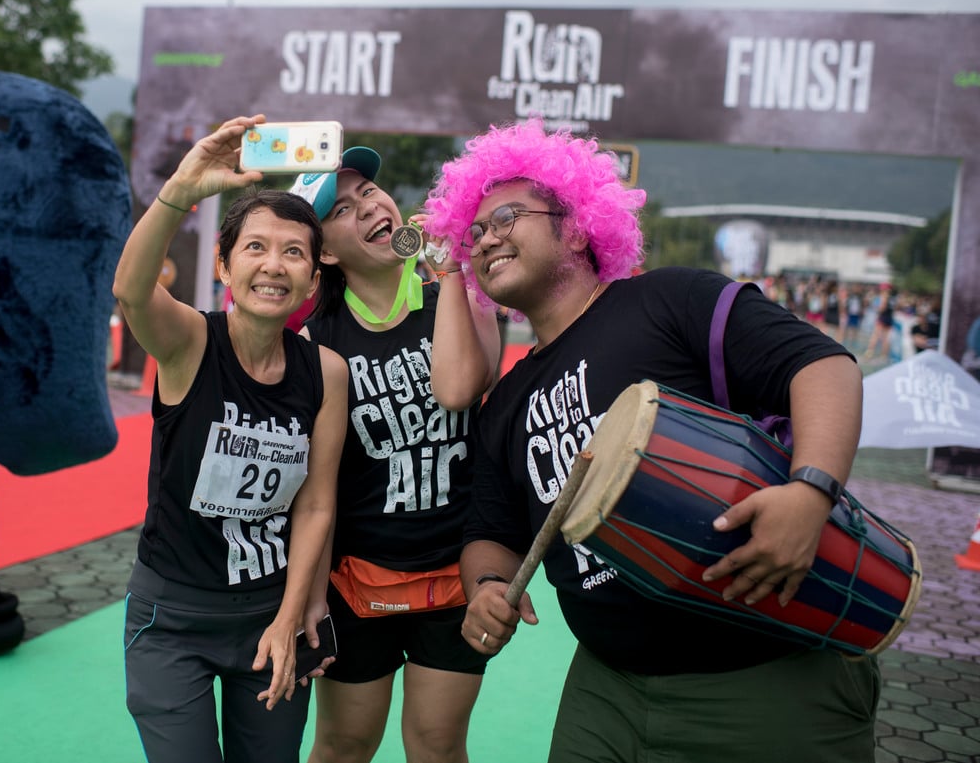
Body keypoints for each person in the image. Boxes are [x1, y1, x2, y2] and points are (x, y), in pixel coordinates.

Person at [422, 118, 875, 763]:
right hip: (605, 690)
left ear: (576, 225)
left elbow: (823, 367)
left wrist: (811, 492)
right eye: (477, 230)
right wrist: (489, 586)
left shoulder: (670, 299)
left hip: (765, 674)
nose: (487, 238)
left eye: (509, 217)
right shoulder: (510, 397)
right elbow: (490, 532)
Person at [113, 115, 348, 763]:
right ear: (223, 263)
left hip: (271, 614)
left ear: (312, 278)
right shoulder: (190, 342)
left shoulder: (325, 372)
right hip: (172, 619)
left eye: (294, 251)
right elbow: (131, 291)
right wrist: (184, 187)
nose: (274, 265)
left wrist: (292, 611)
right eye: (256, 247)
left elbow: (316, 504)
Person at [291, 147, 502, 763]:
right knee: (344, 744)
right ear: (325, 251)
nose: (371, 207)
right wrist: (309, 596)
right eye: (345, 210)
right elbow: (316, 485)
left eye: (371, 194)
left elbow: (462, 388)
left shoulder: (460, 297)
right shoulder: (315, 340)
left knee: (437, 745)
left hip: (455, 572)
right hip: (357, 581)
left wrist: (454, 273)